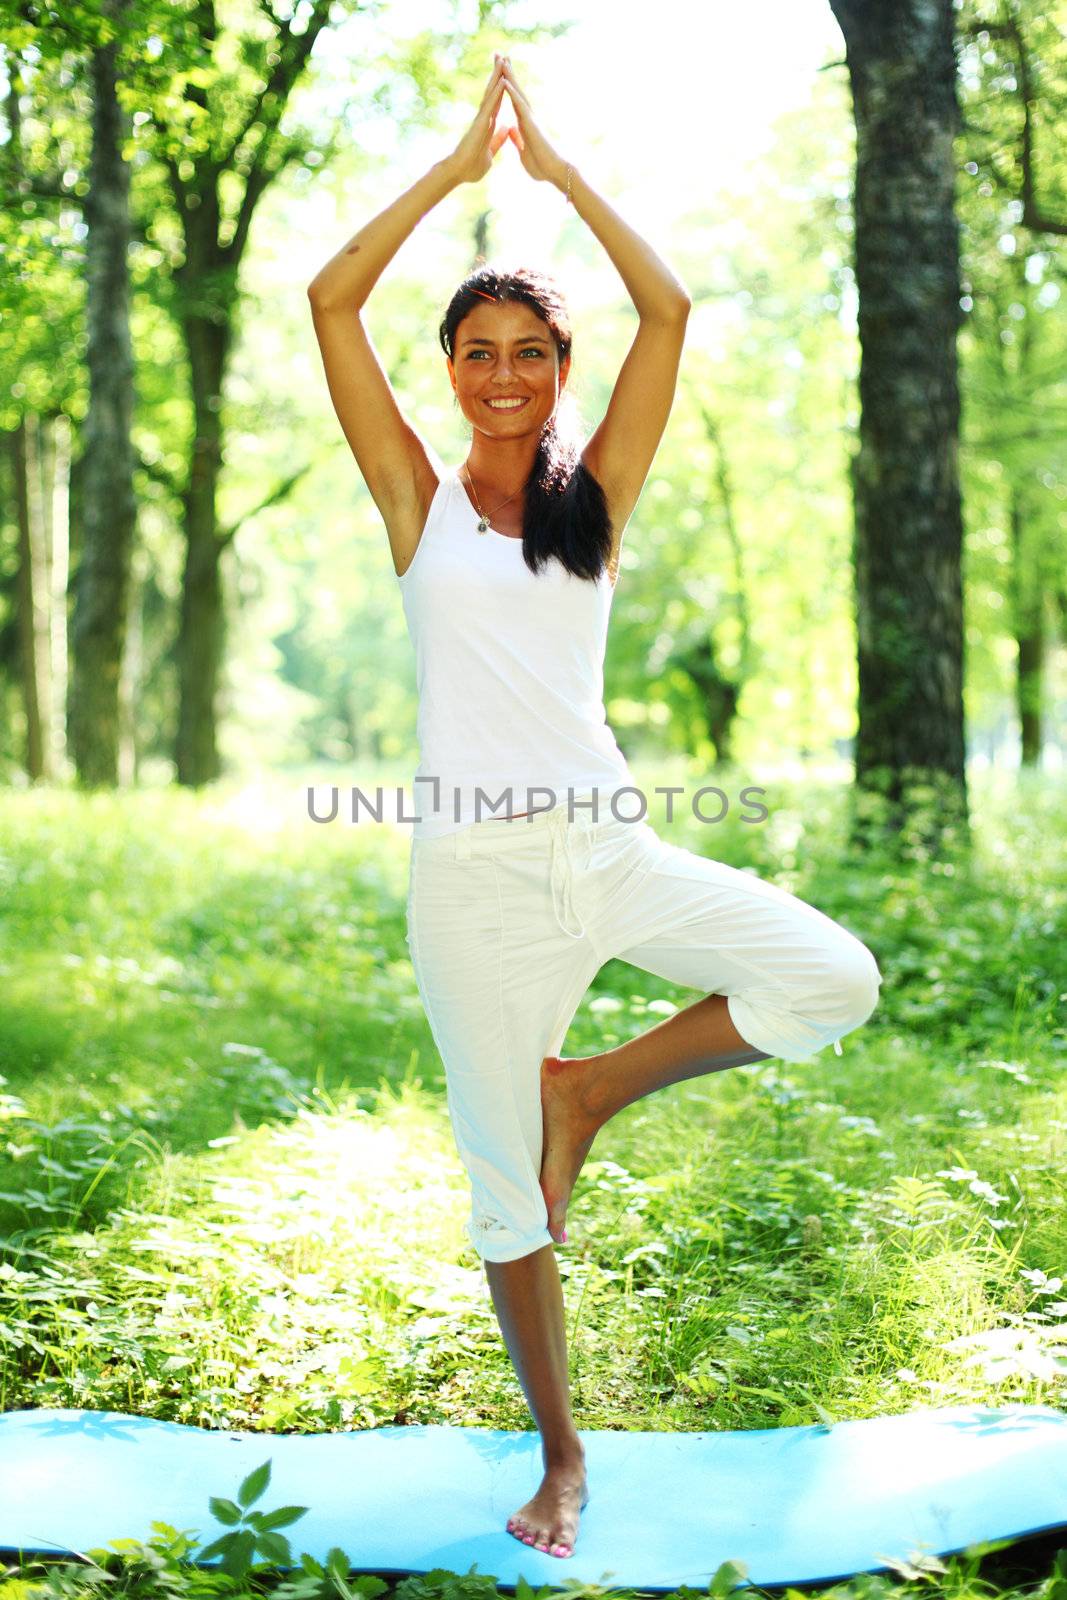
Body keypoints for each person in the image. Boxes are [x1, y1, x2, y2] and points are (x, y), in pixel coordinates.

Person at [307, 53, 882, 1564]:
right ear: (451, 368)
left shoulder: (593, 502)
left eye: (530, 351)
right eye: (478, 350)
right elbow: (326, 302)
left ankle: (596, 1088)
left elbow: (675, 309)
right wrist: (450, 169)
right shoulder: (417, 501)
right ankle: (563, 1456)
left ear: (561, 368)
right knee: (510, 1199)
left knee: (835, 978)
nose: (504, 373)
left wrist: (556, 175)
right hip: (475, 889)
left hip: (611, 852)